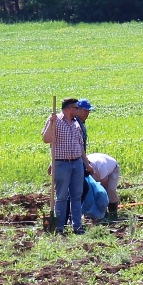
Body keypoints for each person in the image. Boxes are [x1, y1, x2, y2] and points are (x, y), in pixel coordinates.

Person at [42, 98, 87, 234]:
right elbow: (46, 139)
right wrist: (51, 122)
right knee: (61, 196)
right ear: (69, 109)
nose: (78, 111)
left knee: (76, 196)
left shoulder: (76, 123)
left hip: (77, 163)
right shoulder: (56, 121)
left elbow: (80, 145)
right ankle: (59, 227)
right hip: (61, 163)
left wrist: (86, 162)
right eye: (76, 108)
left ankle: (77, 226)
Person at [85, 152, 121, 220]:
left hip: (112, 170)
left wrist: (104, 197)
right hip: (98, 173)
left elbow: (105, 183)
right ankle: (101, 213)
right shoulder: (84, 167)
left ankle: (113, 212)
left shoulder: (101, 165)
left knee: (110, 190)